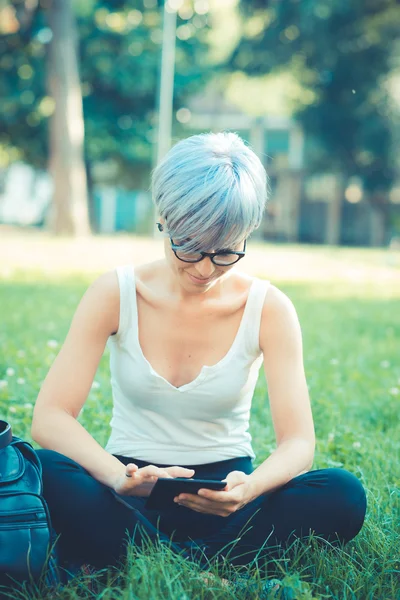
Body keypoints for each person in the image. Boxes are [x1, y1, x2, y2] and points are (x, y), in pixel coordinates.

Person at [31, 132, 366, 577]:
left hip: (229, 501)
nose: (205, 268)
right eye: (189, 246)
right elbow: (50, 416)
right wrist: (116, 477)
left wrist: (249, 490)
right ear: (163, 220)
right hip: (130, 493)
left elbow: (299, 442)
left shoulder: (269, 308)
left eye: (227, 251)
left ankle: (145, 557)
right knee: (42, 469)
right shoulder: (116, 292)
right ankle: (206, 561)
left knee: (341, 492)